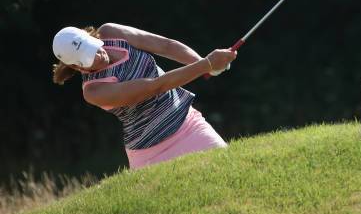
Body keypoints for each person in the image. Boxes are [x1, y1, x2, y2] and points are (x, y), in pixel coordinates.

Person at [51, 23, 237, 170]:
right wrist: (207, 64)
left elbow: (165, 45)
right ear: (76, 67)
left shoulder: (110, 32)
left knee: (228, 170)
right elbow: (157, 86)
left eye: (94, 48)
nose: (99, 56)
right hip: (150, 154)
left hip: (189, 125)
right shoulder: (94, 91)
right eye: (89, 58)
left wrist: (206, 65)